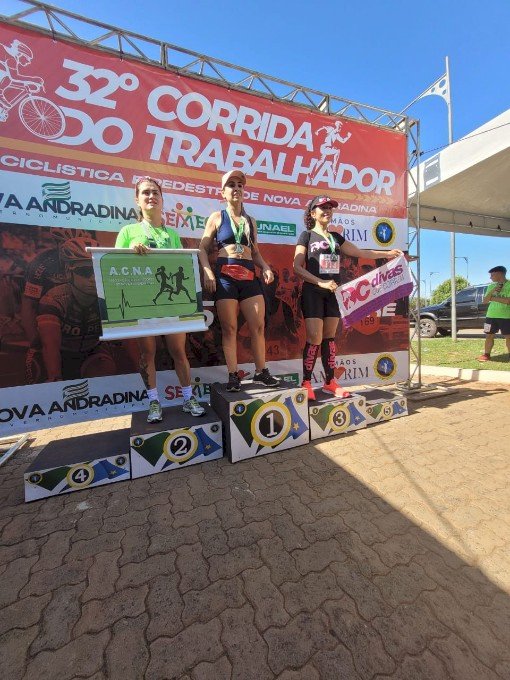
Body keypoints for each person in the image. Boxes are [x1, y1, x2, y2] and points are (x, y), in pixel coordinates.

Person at [293, 195, 403, 400]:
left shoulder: (336, 237)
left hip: (334, 293)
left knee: (329, 338)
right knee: (314, 337)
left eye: (330, 208)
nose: (327, 211)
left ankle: (330, 382)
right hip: (313, 291)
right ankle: (306, 383)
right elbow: (297, 267)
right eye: (323, 207)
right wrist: (320, 282)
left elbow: (360, 252)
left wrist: (387, 254)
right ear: (313, 213)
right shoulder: (306, 236)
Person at [115, 176, 205, 421]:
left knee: (179, 351)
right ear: (137, 200)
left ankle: (188, 398)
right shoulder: (128, 231)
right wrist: (130, 249)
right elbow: (114, 268)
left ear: (162, 199)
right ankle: (154, 402)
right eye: (145, 192)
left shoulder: (172, 234)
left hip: (171, 302)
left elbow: (181, 265)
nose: (151, 196)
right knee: (148, 354)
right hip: (142, 302)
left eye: (155, 192)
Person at [199, 169, 279, 392]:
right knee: (229, 328)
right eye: (231, 185)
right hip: (225, 277)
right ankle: (233, 375)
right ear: (223, 192)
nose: (236, 188)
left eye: (240, 185)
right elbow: (202, 249)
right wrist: (207, 272)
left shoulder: (250, 221)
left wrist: (265, 267)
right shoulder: (217, 217)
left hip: (248, 276)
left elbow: (255, 252)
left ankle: (261, 372)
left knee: (258, 326)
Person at [478, 265, 510, 362]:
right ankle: (486, 355)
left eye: (492, 275)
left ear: (499, 274)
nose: (490, 277)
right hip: (491, 316)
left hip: (506, 316)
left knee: (508, 337)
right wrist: (494, 289)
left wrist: (492, 298)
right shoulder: (491, 286)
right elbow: (485, 301)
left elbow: (508, 301)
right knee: (489, 335)